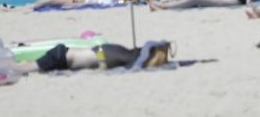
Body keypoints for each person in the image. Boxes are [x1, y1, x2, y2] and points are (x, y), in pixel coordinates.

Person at [21, 40, 173, 73]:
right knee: (23, 68)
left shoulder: (121, 51)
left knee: (26, 67)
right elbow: (141, 62)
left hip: (65, 55)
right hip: (62, 57)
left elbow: (146, 49)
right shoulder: (125, 58)